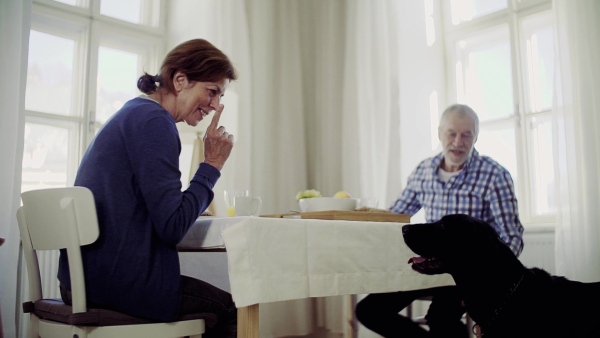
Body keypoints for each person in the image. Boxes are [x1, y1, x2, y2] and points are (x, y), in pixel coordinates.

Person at [57, 39, 238, 338]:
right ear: (180, 80)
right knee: (235, 309)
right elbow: (172, 227)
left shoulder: (135, 113)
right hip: (115, 285)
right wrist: (212, 165)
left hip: (81, 282)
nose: (216, 105)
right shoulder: (155, 122)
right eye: (212, 91)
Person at [355, 103, 524, 338]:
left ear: (476, 136)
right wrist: (361, 217)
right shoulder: (423, 172)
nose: (458, 142)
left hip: (468, 273)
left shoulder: (495, 175)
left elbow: (511, 236)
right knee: (368, 311)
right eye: (451, 133)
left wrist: (486, 280)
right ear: (439, 134)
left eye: (466, 135)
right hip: (430, 266)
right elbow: (396, 216)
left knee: (441, 320)